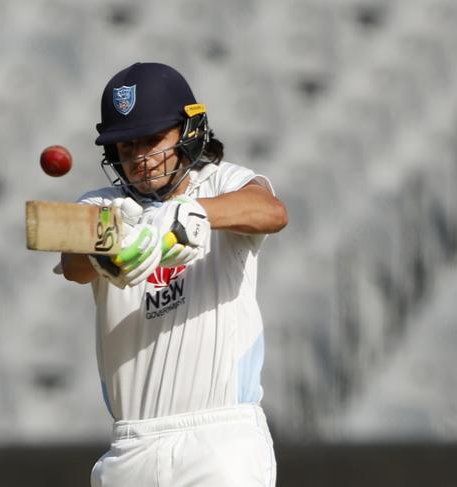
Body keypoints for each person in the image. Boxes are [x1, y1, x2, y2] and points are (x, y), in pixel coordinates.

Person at [58, 62, 288, 487]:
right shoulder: (103, 204)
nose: (141, 159)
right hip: (132, 445)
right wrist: (111, 247)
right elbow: (72, 263)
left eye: (152, 141)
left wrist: (189, 214)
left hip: (220, 440)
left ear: (188, 132)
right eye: (127, 147)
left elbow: (270, 212)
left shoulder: (221, 183)